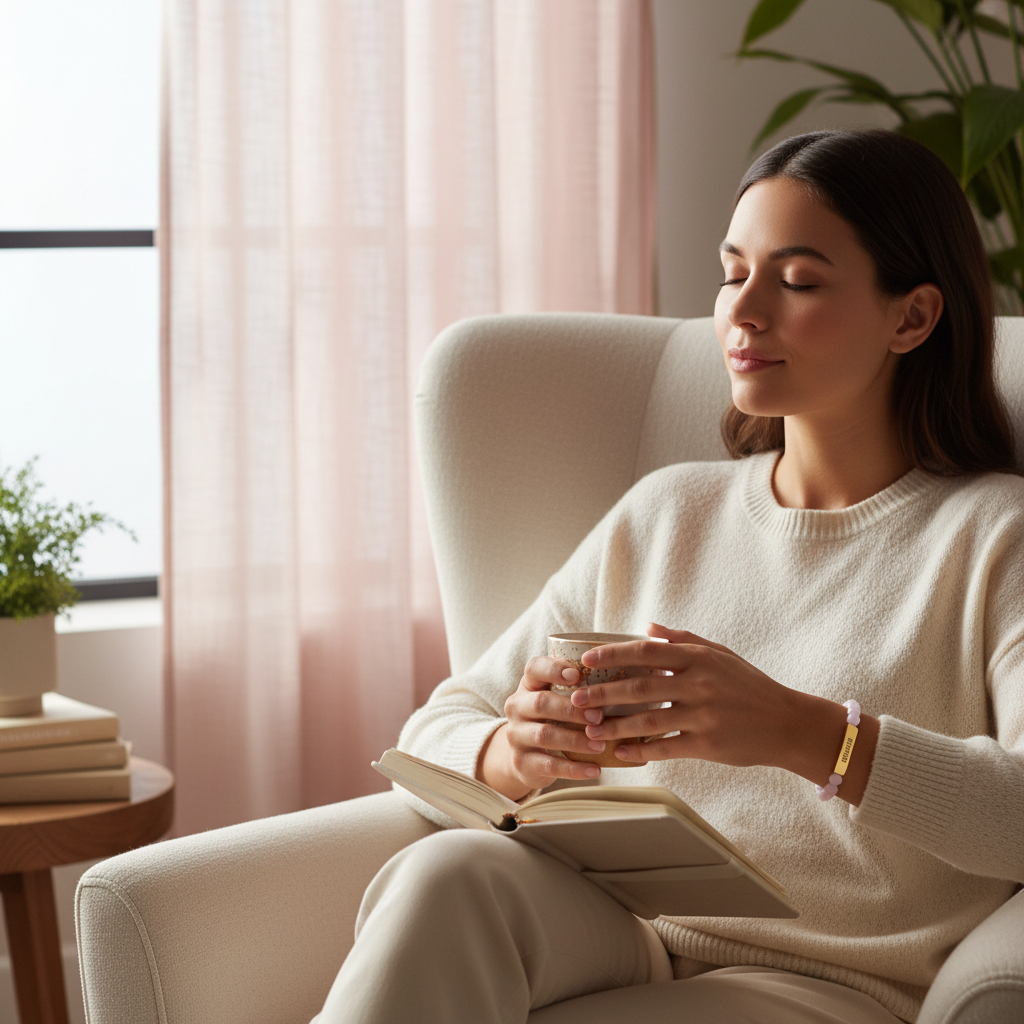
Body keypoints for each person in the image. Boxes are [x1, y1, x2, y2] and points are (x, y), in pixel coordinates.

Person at [314, 129, 1024, 1024]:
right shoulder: (668, 511)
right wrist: (515, 753)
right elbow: (435, 731)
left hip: (828, 986)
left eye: (797, 281)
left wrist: (805, 732)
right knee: (445, 873)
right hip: (621, 925)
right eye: (734, 273)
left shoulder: (996, 537)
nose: (744, 311)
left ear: (912, 317)